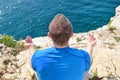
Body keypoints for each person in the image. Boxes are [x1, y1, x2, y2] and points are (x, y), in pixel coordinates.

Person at [25, 14, 96, 80]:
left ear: (49, 35)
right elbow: (89, 61)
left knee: (37, 69)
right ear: (71, 35)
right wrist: (90, 46)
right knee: (86, 67)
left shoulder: (38, 56)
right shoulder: (83, 55)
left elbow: (32, 65)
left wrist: (31, 47)